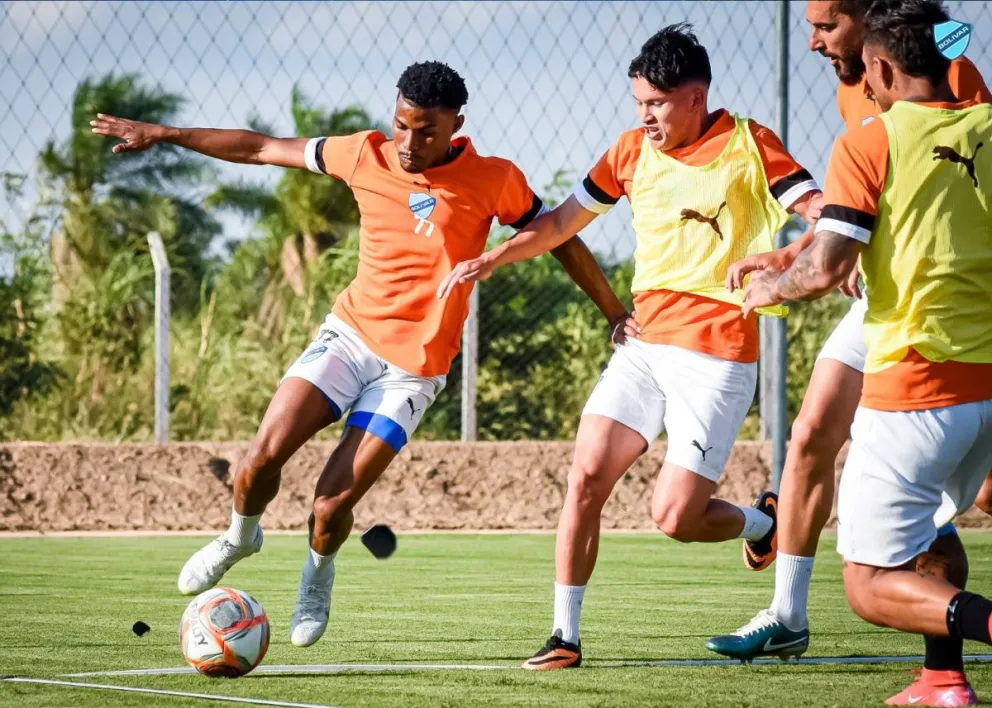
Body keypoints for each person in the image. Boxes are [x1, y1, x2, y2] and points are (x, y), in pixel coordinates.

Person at [92, 61, 630, 647]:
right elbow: (262, 147)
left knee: (329, 506)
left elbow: (558, 237)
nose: (408, 142)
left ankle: (317, 574)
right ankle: (240, 535)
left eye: (425, 131)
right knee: (258, 460)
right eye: (401, 125)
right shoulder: (362, 154)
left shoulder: (494, 178)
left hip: (413, 372)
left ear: (456, 124)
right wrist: (164, 134)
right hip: (349, 338)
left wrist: (613, 312)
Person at [437, 24, 822, 670]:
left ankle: (763, 524)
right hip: (645, 345)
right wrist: (495, 258)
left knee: (673, 517)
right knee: (584, 472)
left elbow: (826, 213)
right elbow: (560, 223)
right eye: (639, 102)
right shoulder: (628, 151)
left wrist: (784, 257)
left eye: (659, 103)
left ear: (696, 95)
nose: (645, 115)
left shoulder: (750, 145)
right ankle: (564, 636)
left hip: (718, 355)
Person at [707, 0, 992, 669]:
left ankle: (941, 667)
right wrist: (789, 256)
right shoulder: (852, 99)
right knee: (808, 436)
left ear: (873, 30)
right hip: (889, 302)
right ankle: (787, 616)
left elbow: (953, 187)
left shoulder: (956, 82)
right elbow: (850, 214)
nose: (811, 42)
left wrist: (781, 283)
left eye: (825, 25)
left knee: (947, 500)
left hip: (928, 321)